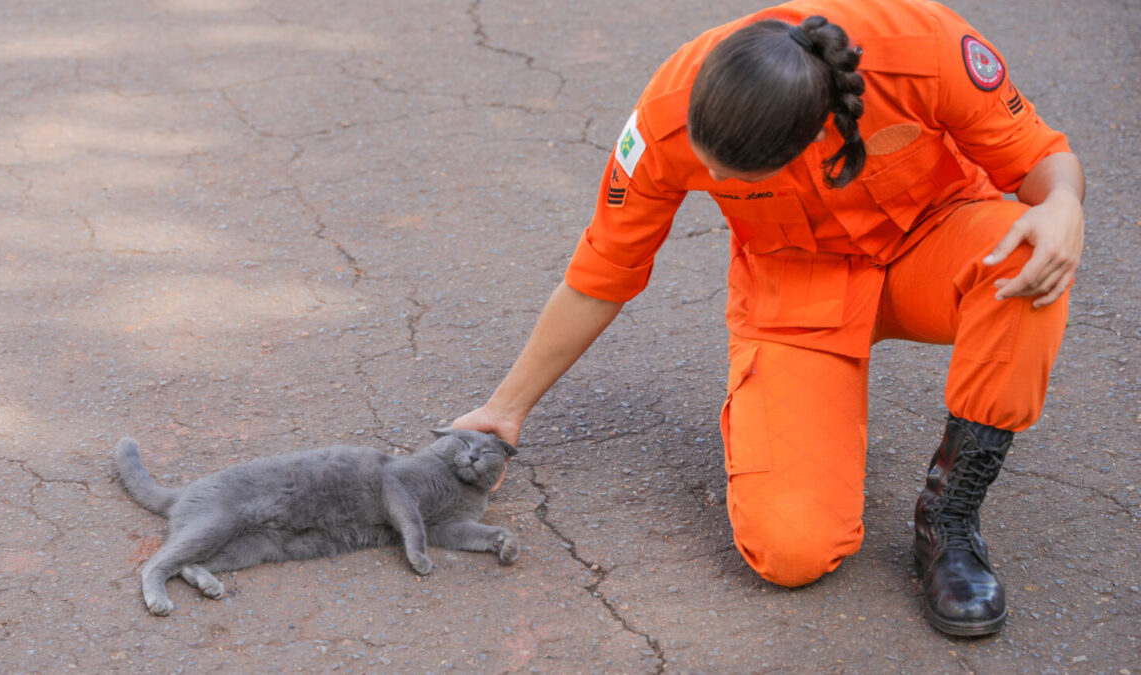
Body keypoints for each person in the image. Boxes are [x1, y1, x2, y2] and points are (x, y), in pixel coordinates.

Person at [453, 0, 1083, 637]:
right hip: (800, 289)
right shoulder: (667, 115)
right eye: (708, 163)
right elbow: (602, 274)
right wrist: (505, 410)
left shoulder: (924, 49)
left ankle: (949, 519)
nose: (715, 177)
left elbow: (1042, 162)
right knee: (791, 550)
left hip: (937, 245)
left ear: (815, 136)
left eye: (735, 174)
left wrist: (1062, 203)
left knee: (1031, 254)